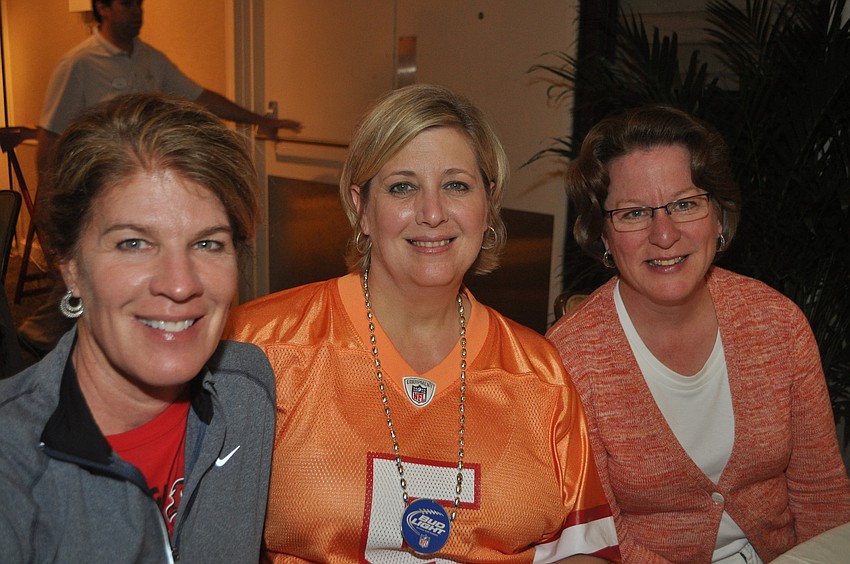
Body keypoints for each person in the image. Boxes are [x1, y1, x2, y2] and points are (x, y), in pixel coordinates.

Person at [225, 83, 620, 562]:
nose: (432, 213)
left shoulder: (539, 374)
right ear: (361, 208)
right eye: (402, 187)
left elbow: (589, 553)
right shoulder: (259, 347)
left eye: (456, 185)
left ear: (487, 202)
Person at [545, 105, 850, 563]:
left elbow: (820, 492)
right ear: (604, 236)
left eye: (685, 204)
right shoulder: (566, 362)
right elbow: (596, 537)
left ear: (719, 218)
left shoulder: (778, 323)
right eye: (633, 213)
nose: (664, 234)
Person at [0, 93, 276, 562]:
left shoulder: (246, 393)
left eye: (208, 243)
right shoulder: (12, 462)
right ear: (69, 265)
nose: (180, 284)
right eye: (133, 242)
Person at [17, 0, 302, 357]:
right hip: (104, 203)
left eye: (209, 245)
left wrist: (259, 120)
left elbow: (199, 97)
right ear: (103, 9)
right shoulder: (78, 64)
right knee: (92, 309)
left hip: (154, 199)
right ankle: (43, 344)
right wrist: (51, 211)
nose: (137, 11)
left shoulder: (150, 58)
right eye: (126, 4)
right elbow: (50, 142)